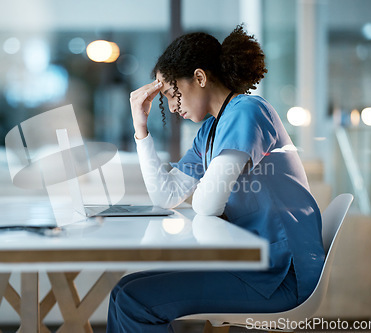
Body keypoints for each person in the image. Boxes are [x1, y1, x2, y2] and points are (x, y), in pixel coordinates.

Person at [106, 25, 325, 332]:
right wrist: (140, 127)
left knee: (133, 299)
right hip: (252, 267)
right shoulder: (209, 132)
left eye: (172, 93)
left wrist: (201, 196)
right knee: (124, 290)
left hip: (281, 276)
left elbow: (207, 204)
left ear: (199, 78)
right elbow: (166, 195)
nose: (171, 106)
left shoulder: (248, 111)